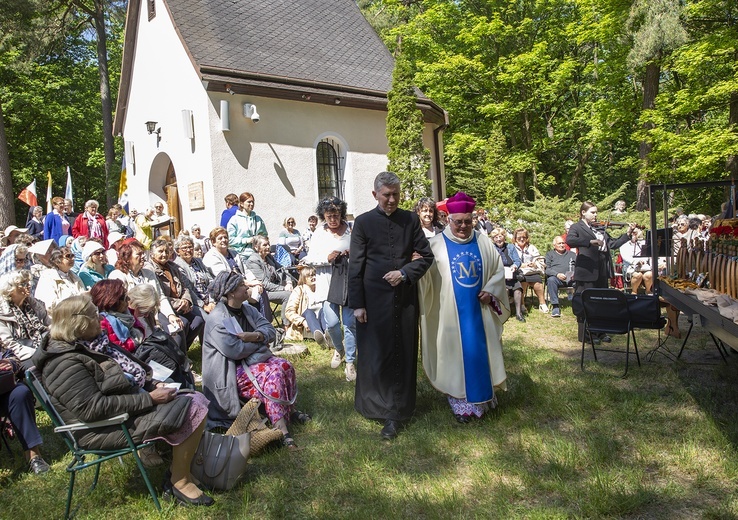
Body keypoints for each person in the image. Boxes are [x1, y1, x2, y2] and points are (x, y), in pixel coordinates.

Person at [32, 294, 214, 507]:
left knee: (194, 397)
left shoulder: (91, 345)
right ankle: (179, 481)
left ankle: (179, 471)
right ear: (79, 324)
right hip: (101, 428)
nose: (100, 318)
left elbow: (121, 380)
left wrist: (152, 386)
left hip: (125, 411)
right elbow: (92, 409)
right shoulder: (63, 363)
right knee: (192, 407)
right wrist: (150, 399)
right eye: (94, 315)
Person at [348, 172, 433, 440]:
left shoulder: (410, 220)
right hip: (372, 300)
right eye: (386, 195)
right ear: (375, 195)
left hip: (404, 298)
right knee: (374, 352)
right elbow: (355, 267)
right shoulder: (362, 223)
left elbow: (426, 255)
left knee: (402, 352)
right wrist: (357, 304)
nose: (392, 199)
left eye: (396, 194)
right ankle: (372, 404)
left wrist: (405, 272)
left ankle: (397, 411)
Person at [418, 192, 509, 423]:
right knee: (455, 355)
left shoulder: (482, 241)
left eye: (468, 221)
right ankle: (460, 401)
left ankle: (483, 399)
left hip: (480, 310)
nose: (463, 226)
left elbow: (498, 269)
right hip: (449, 314)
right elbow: (426, 278)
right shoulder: (436, 245)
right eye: (458, 221)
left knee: (480, 352)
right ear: (448, 220)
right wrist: (416, 264)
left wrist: (490, 290)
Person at [202, 271, 306, 449]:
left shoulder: (247, 309)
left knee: (285, 366)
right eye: (243, 285)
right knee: (273, 375)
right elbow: (234, 351)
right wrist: (260, 344)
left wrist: (255, 336)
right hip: (229, 373)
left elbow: (270, 331)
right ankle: (281, 429)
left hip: (252, 360)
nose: (247, 287)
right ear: (231, 292)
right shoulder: (216, 319)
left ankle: (290, 410)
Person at [566, 201, 636, 343]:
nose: (595, 215)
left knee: (601, 301)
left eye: (596, 212)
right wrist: (590, 242)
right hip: (586, 270)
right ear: (583, 213)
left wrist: (627, 234)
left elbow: (612, 244)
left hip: (602, 268)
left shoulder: (600, 229)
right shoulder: (576, 227)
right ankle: (585, 335)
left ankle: (600, 331)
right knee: (585, 301)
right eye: (592, 212)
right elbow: (570, 240)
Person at [304, 197, 356, 379]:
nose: (333, 219)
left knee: (350, 323)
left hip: (348, 283)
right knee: (333, 323)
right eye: (328, 216)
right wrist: (326, 258)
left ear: (342, 213)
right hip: (327, 284)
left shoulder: (351, 229)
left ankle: (350, 362)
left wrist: (351, 254)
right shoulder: (319, 233)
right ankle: (339, 349)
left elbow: (362, 251)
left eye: (336, 215)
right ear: (323, 216)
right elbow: (309, 258)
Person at [0, 343, 49, 474]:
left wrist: (10, 363)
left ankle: (34, 455)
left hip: (3, 389)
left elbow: (10, 355)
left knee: (20, 393)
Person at [147, 238, 204, 349]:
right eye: (160, 251)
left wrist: (186, 300)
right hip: (163, 308)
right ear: (152, 254)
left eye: (167, 251)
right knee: (183, 323)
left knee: (198, 321)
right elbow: (159, 295)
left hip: (180, 305)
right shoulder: (150, 270)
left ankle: (183, 349)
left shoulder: (173, 267)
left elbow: (184, 287)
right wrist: (179, 303)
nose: (164, 254)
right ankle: (179, 354)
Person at [0, 270, 50, 368]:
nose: (28, 285)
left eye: (28, 282)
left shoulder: (34, 304)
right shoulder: (2, 313)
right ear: (10, 290)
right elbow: (9, 344)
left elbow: (49, 325)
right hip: (22, 356)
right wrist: (38, 354)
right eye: (23, 284)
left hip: (44, 348)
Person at [246, 236, 293, 327]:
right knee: (288, 295)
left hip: (275, 286)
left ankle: (297, 324)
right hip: (263, 292)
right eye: (265, 245)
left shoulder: (268, 257)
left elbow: (283, 269)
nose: (268, 247)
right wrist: (284, 288)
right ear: (256, 247)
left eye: (268, 244)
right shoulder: (253, 261)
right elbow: (265, 284)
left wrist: (289, 282)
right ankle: (286, 326)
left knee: (298, 291)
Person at [91, 279, 146, 353]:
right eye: (124, 297)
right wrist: (135, 343)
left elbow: (141, 331)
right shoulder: (103, 323)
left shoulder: (128, 314)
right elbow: (118, 350)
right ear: (113, 301)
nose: (128, 299)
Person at [489, 227, 525, 321]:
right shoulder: (491, 248)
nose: (498, 239)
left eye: (500, 236)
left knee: (518, 289)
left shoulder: (510, 247)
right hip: (498, 274)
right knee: (505, 289)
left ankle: (518, 313)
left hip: (511, 273)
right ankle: (504, 312)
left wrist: (514, 266)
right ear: (493, 239)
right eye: (495, 237)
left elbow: (517, 260)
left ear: (504, 237)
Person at [34, 246, 86, 311]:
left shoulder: (74, 277)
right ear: (57, 260)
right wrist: (75, 301)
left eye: (72, 256)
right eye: (68, 256)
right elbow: (49, 304)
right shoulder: (48, 277)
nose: (72, 259)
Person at [283, 265, 325, 344]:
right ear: (304, 279)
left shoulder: (322, 289)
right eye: (309, 276)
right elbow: (289, 311)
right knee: (308, 312)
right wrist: (302, 321)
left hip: (321, 320)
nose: (313, 277)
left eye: (314, 274)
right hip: (307, 326)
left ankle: (327, 334)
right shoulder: (299, 290)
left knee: (324, 310)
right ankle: (319, 336)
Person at [173, 236, 215, 315]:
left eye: (190, 247)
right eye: (184, 248)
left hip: (209, 299)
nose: (188, 250)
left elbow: (211, 281)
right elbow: (188, 289)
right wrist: (204, 306)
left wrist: (212, 301)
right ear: (178, 251)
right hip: (195, 303)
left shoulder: (199, 261)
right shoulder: (177, 266)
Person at [513, 228, 548, 313]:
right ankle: (522, 304)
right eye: (519, 237)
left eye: (524, 237)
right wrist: (522, 265)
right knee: (523, 282)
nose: (522, 239)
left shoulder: (531, 247)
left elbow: (539, 258)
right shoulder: (512, 248)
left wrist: (534, 263)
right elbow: (511, 261)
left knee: (538, 283)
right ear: (515, 238)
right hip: (519, 271)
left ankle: (542, 304)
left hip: (531, 271)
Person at [227, 192, 268, 260]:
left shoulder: (258, 219)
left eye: (252, 202)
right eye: (249, 202)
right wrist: (246, 240)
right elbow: (230, 240)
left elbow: (264, 235)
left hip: (258, 254)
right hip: (242, 255)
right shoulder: (234, 220)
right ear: (242, 204)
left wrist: (259, 240)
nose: (251, 204)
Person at [544, 236, 577, 317]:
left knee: (582, 279)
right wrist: (557, 274)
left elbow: (578, 267)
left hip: (572, 279)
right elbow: (547, 269)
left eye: (563, 243)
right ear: (554, 245)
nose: (562, 245)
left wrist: (575, 274)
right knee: (551, 280)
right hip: (557, 279)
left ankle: (579, 303)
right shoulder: (549, 254)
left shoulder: (572, 254)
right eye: (559, 243)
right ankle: (555, 306)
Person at [619, 228, 654, 294]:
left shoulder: (643, 243)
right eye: (633, 233)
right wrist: (635, 262)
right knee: (638, 275)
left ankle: (648, 290)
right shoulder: (624, 244)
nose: (635, 235)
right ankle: (634, 291)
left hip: (643, 266)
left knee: (649, 275)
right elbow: (625, 257)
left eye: (636, 233)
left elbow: (647, 255)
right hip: (630, 266)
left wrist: (643, 261)